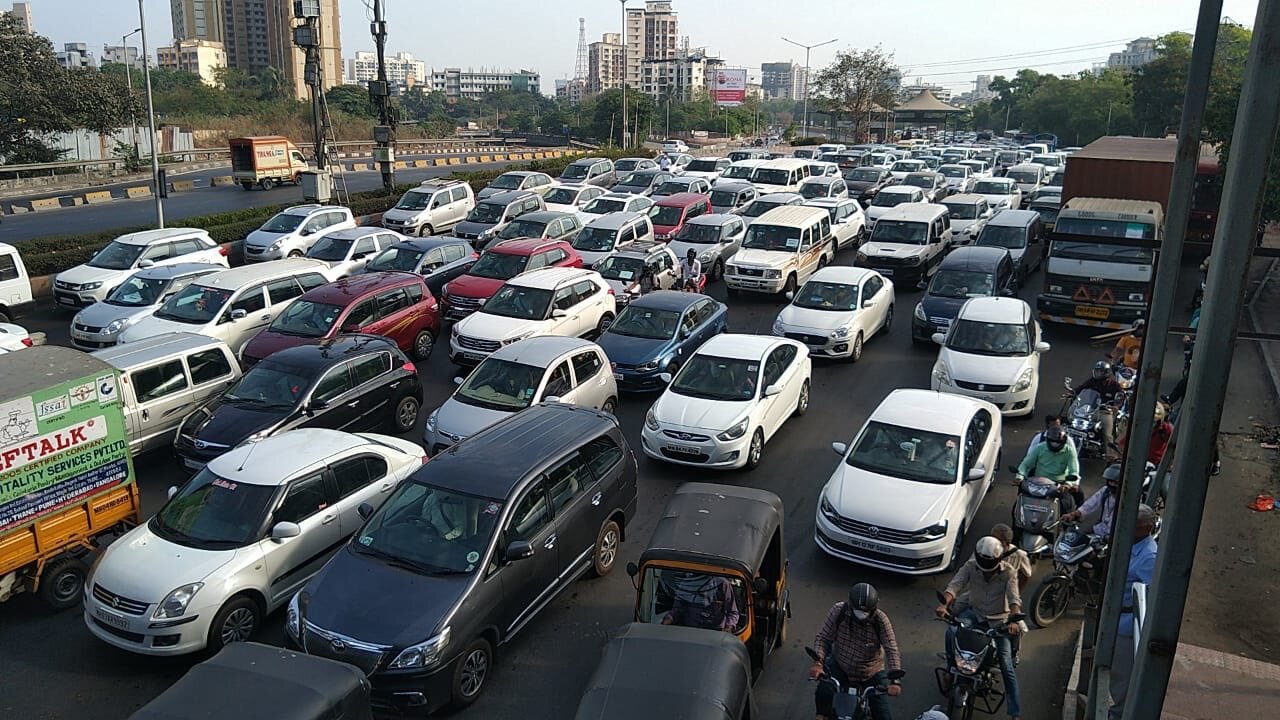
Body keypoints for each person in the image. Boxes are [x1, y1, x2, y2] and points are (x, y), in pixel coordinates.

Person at [936, 537, 1023, 720]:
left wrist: (1014, 620)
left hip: (998, 620)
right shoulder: (970, 566)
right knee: (952, 632)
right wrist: (945, 604)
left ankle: (1015, 712)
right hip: (974, 614)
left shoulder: (1009, 572)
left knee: (1006, 664)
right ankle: (951, 669)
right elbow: (955, 584)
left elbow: (1014, 599)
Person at [810, 583, 903, 720]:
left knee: (883, 715)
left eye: (866, 611)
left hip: (871, 673)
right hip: (840, 666)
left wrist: (895, 681)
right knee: (823, 691)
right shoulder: (838, 611)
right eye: (858, 610)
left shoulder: (881, 620)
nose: (862, 614)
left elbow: (891, 649)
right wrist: (818, 663)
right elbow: (823, 638)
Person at [1108, 504, 1159, 719]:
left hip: (1127, 626)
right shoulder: (1129, 545)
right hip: (1114, 618)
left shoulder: (1149, 557)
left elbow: (1149, 598)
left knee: (1121, 679)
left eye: (1135, 527)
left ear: (1147, 528)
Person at [1017, 426, 1081, 511]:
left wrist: (1068, 484)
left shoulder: (1069, 451)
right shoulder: (1039, 448)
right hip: (1038, 483)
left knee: (1068, 504)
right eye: (1052, 442)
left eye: (1057, 442)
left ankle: (1069, 521)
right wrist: (1019, 477)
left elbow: (1074, 470)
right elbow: (1025, 464)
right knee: (1020, 502)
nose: (1055, 445)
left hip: (1059, 485)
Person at [661, 572, 740, 632]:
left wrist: (728, 627)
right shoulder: (686, 583)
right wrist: (668, 619)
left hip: (715, 634)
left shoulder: (722, 584)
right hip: (690, 632)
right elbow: (677, 609)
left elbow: (733, 612)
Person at [1072, 361, 1124, 448]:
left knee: (1107, 434)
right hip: (1090, 409)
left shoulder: (1114, 385)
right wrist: (1073, 393)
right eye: (1097, 371)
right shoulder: (1092, 381)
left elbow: (1121, 397)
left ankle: (1110, 454)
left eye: (1100, 371)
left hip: (1105, 411)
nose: (1098, 373)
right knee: (1073, 422)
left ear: (1107, 373)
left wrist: (1116, 406)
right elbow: (1081, 388)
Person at [1063, 463, 1122, 537]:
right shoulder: (1105, 491)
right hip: (1100, 529)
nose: (1112, 484)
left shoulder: (1126, 500)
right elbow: (1090, 505)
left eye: (1116, 483)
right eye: (1111, 481)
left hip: (1116, 535)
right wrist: (1074, 514)